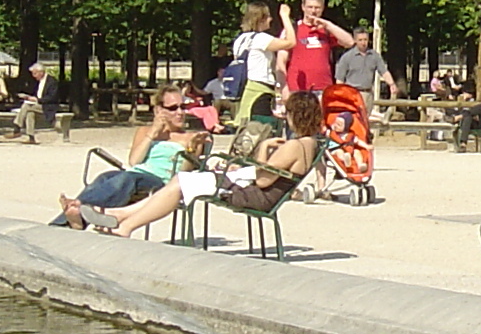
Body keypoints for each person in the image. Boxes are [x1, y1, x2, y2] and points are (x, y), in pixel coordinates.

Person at [94, 89, 325, 238]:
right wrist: (254, 158)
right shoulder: (309, 144)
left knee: (182, 182)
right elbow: (265, 174)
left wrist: (250, 159)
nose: (285, 116)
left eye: (288, 112)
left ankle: (124, 226)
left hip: (253, 196)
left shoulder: (293, 146)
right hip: (254, 191)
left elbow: (263, 180)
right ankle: (121, 214)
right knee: (181, 182)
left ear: (297, 115)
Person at [53, 90, 207, 227]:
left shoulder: (191, 138)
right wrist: (153, 133)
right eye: (173, 108)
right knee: (105, 176)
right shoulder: (145, 131)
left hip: (161, 182)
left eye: (183, 107)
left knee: (126, 178)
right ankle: (71, 221)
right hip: (136, 173)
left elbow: (183, 174)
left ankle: (77, 207)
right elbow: (134, 161)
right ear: (159, 110)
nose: (180, 112)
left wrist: (191, 150)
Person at [277, 0, 354, 96]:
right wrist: (284, 87)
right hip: (296, 89)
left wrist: (328, 25)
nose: (313, 11)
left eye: (317, 8)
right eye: (310, 7)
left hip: (323, 88)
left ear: (322, 8)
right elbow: (280, 61)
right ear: (303, 7)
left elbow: (349, 42)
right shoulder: (292, 30)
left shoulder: (326, 30)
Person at [227, 2, 281, 127]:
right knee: (260, 128)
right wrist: (285, 17)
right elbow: (290, 42)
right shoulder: (261, 38)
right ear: (260, 19)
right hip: (260, 87)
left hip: (245, 86)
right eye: (267, 16)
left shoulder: (241, 39)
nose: (271, 19)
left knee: (247, 125)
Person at [335, 27, 397, 106]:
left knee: (366, 118)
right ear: (355, 40)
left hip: (368, 94)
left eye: (365, 40)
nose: (363, 43)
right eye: (360, 40)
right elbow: (340, 79)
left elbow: (384, 72)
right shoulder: (347, 57)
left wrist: (392, 84)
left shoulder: (374, 56)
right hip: (352, 94)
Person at [13, 65, 64, 143]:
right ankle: (31, 137)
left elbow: (52, 97)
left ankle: (17, 128)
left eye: (35, 73)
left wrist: (38, 100)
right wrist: (29, 97)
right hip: (38, 105)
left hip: (49, 106)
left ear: (41, 72)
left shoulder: (52, 81)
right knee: (30, 113)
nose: (34, 76)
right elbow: (38, 95)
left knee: (26, 106)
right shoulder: (39, 82)